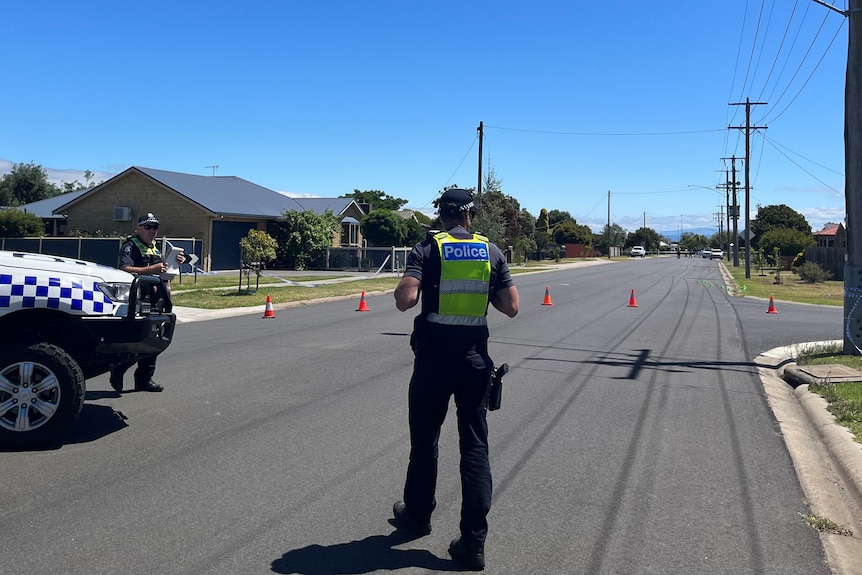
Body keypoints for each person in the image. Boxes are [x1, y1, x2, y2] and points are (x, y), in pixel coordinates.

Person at [391, 187, 519, 570]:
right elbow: (511, 307)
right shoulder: (491, 251)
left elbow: (404, 300)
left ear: (442, 215)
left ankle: (417, 515)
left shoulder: (427, 249)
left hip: (432, 360)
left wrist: (419, 281)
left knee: (425, 440)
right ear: (469, 215)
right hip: (474, 362)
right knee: (475, 448)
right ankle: (473, 543)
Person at [109, 212, 184, 393]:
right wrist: (152, 269)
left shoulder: (154, 247)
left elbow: (162, 272)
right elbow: (124, 269)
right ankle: (119, 369)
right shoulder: (130, 245)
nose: (152, 231)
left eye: (155, 227)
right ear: (138, 228)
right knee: (139, 340)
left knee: (155, 340)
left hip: (157, 300)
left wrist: (174, 264)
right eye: (148, 227)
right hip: (138, 300)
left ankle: (144, 379)